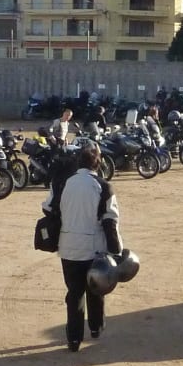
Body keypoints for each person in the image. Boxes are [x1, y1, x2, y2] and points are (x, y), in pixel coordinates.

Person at [41, 142, 122, 352]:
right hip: (94, 248)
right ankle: (95, 327)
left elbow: (48, 208)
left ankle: (73, 339)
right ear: (98, 162)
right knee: (96, 289)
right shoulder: (103, 186)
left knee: (74, 292)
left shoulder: (62, 182)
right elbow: (109, 222)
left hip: (68, 248)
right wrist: (117, 251)